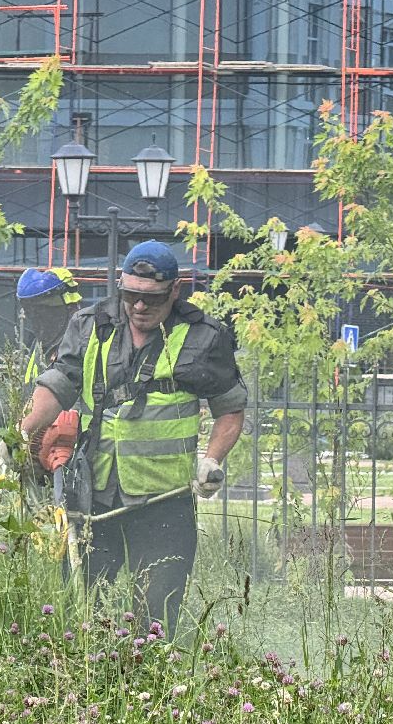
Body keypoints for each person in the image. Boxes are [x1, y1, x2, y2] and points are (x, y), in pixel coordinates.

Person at [19, 240, 247, 634]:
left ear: (174, 291)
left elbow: (231, 409)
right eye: (130, 296)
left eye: (152, 298)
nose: (139, 306)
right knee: (81, 611)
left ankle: (150, 671)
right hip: (94, 495)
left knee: (156, 617)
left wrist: (212, 459)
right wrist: (22, 433)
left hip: (165, 502)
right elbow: (57, 386)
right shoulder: (90, 326)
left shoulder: (204, 338)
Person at [16, 266, 84, 383]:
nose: (36, 316)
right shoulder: (42, 343)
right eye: (32, 310)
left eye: (42, 309)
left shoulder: (81, 342)